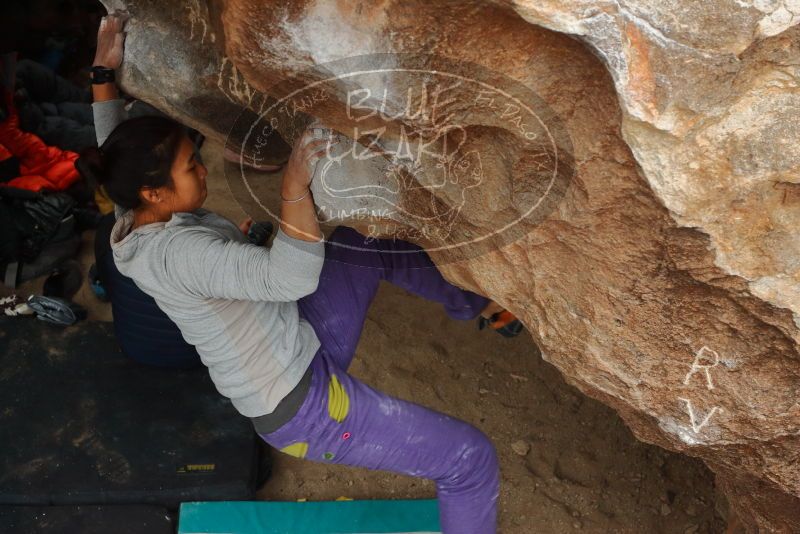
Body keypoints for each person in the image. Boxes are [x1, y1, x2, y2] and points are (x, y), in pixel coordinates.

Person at [81, 12, 525, 533]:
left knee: (360, 242)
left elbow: (114, 153)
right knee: (468, 460)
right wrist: (293, 188)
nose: (203, 169)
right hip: (303, 409)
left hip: (298, 341)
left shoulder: (135, 212)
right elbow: (290, 279)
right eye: (190, 167)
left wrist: (102, 73)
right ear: (154, 192)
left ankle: (484, 304)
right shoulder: (178, 254)